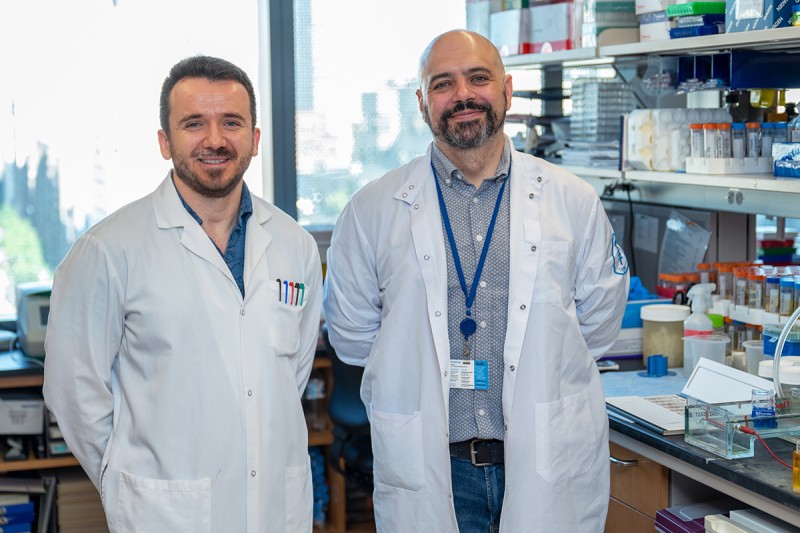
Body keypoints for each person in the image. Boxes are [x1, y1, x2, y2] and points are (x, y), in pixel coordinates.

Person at [323, 30, 628, 532]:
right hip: (433, 464)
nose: (463, 95)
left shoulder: (571, 200)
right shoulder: (371, 210)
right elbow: (354, 338)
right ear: (422, 103)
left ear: (506, 91)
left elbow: (599, 326)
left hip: (541, 462)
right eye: (443, 83)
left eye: (478, 78)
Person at [43, 56, 322, 533]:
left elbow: (288, 376)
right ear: (164, 141)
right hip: (163, 513)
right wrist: (125, 484)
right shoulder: (108, 249)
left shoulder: (295, 244)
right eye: (194, 123)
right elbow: (73, 391)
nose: (214, 139)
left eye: (231, 122)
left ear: (255, 140)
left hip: (277, 506)